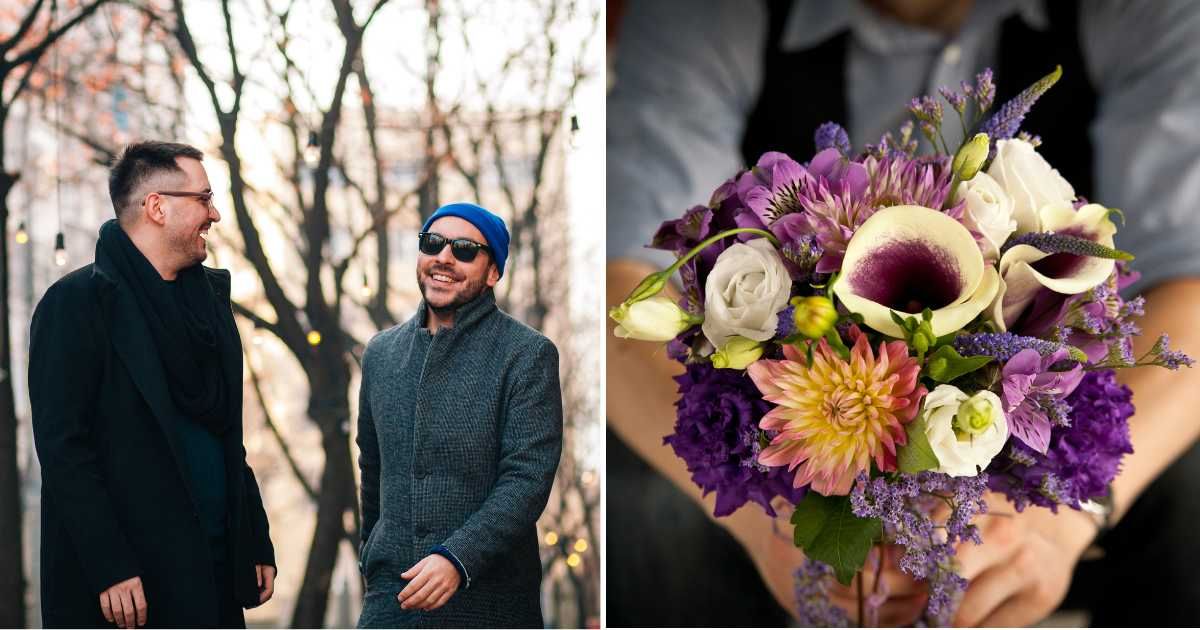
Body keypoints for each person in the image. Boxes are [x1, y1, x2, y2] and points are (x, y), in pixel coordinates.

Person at [607, 0, 1200, 626]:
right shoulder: (706, 14)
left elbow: (1190, 276)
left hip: (1034, 407)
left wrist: (1072, 513)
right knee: (650, 510)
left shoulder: (1139, 12)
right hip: (805, 417)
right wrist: (763, 516)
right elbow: (622, 275)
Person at [29, 141, 277, 628]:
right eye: (203, 199)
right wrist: (109, 566)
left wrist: (253, 537)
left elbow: (227, 435)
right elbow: (63, 451)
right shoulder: (74, 305)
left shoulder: (210, 306)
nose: (215, 214)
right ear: (157, 207)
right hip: (129, 589)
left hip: (212, 575)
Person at [355, 202, 563, 628]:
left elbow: (527, 478)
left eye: (465, 250)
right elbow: (371, 467)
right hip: (389, 603)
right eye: (433, 243)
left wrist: (457, 558)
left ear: (493, 272)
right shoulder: (380, 353)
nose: (444, 258)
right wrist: (371, 555)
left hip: (489, 604)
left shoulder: (527, 354)